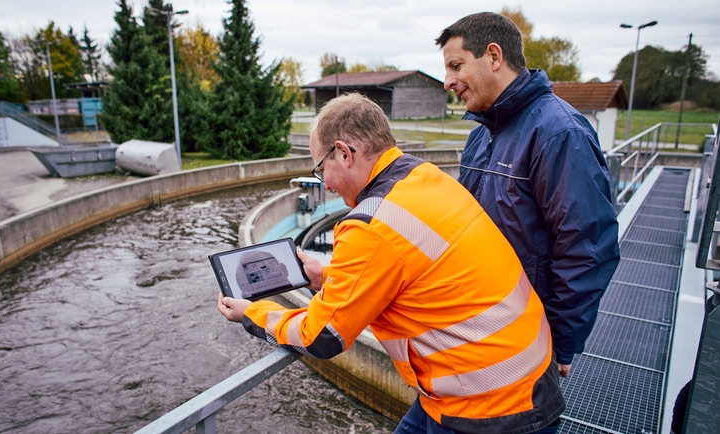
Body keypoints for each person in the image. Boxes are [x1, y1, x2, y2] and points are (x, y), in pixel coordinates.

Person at [219, 93, 565, 434]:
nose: (324, 182)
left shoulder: (371, 224)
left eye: (321, 168)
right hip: (515, 373)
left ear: (343, 153)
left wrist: (252, 314)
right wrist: (324, 277)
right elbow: (409, 268)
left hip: (489, 404)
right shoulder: (424, 177)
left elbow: (322, 336)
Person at [436, 12, 621, 377]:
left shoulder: (559, 133)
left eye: (456, 66)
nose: (447, 82)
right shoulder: (481, 134)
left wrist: (560, 342)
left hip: (526, 341)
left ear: (493, 56)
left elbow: (587, 245)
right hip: (476, 327)